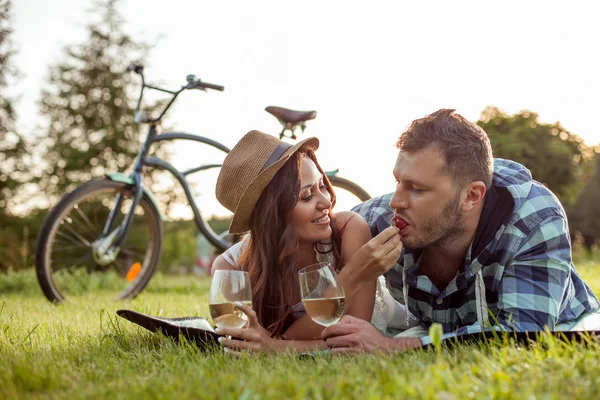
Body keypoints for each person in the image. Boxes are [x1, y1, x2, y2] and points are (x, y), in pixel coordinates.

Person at [320, 108, 600, 353]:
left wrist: (393, 348)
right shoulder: (383, 217)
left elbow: (523, 335)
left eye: (416, 188)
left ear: (471, 196)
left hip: (565, 324)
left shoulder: (534, 218)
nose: (396, 201)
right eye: (398, 182)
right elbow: (310, 233)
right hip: (434, 330)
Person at [211, 130, 417, 355]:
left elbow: (351, 340)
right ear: (272, 215)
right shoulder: (230, 268)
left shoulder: (349, 229)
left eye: (322, 186)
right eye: (307, 196)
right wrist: (266, 343)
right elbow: (241, 342)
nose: (326, 201)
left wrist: (355, 274)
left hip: (395, 334)